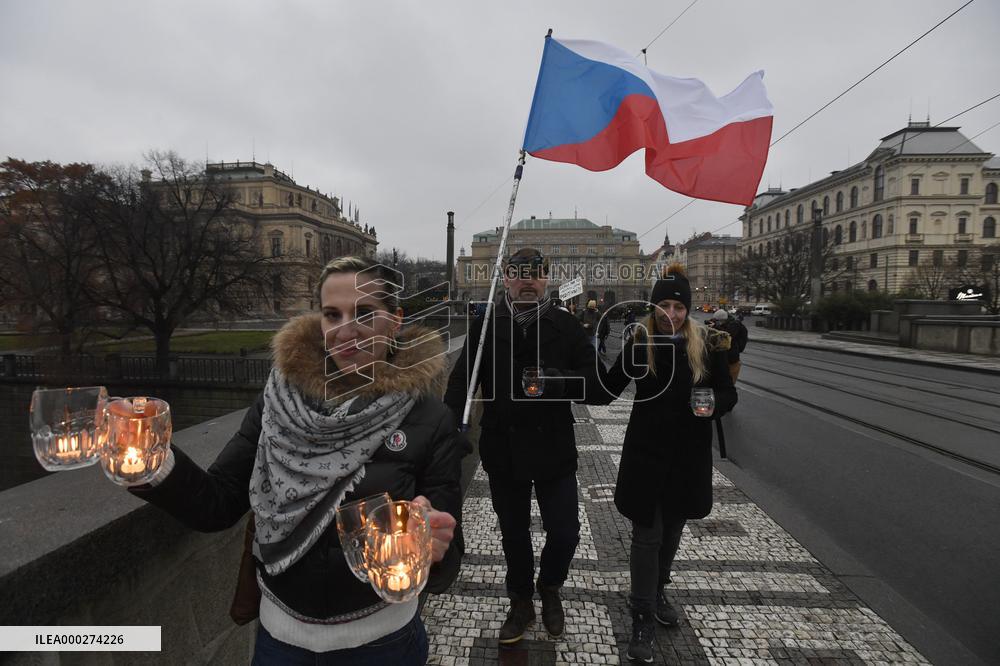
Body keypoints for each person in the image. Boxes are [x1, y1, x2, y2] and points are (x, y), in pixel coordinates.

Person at [126, 256, 466, 665]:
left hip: (382, 645)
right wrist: (151, 461)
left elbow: (447, 557)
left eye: (364, 314)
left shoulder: (430, 418)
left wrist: (433, 541)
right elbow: (217, 504)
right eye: (332, 314)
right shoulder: (276, 404)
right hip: (280, 642)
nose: (346, 330)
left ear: (394, 322)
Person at [445, 248, 603, 645]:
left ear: (546, 279)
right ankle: (520, 599)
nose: (527, 281)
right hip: (504, 448)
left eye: (535, 274)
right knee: (514, 534)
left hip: (554, 448)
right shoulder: (486, 326)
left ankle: (549, 587)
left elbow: (596, 385)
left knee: (565, 532)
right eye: (517, 274)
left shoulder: (565, 326)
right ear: (506, 279)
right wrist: (450, 429)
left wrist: (556, 381)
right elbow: (460, 384)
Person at [595, 264, 737, 663]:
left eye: (678, 306)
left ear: (687, 310)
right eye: (663, 305)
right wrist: (562, 381)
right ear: (652, 307)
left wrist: (709, 405)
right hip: (646, 455)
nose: (670, 313)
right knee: (647, 536)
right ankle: (641, 613)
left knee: (672, 531)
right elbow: (608, 389)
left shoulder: (707, 345)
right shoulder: (640, 343)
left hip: (687, 458)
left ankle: (658, 593)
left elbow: (728, 394)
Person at [711, 309, 749, 382]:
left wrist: (715, 326)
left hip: (732, 359)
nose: (717, 323)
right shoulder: (725, 324)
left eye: (718, 321)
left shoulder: (734, 325)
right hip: (724, 359)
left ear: (723, 320)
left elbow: (728, 334)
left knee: (729, 383)